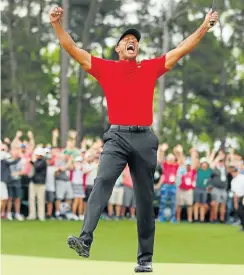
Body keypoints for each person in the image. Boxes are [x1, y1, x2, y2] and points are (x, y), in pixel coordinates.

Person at [50, 6, 218, 272]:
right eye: (127, 39)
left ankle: (145, 260)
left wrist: (204, 25)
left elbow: (182, 49)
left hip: (144, 139)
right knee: (103, 180)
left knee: (143, 199)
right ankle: (85, 239)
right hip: (116, 137)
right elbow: (72, 48)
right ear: (118, 49)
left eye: (136, 40)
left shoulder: (149, 68)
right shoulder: (106, 69)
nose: (132, 42)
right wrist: (57, 24)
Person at [27, 148, 47, 221]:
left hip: (40, 183)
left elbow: (37, 167)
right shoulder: (35, 162)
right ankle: (32, 215)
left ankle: (41, 215)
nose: (36, 156)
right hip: (33, 182)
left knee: (40, 199)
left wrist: (32, 162)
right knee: (31, 199)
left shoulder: (43, 162)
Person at [193, 158, 212, 222]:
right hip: (198, 188)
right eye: (203, 163)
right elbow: (195, 165)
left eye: (205, 163)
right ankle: (195, 218)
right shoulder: (199, 170)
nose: (204, 164)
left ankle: (202, 219)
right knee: (196, 203)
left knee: (203, 204)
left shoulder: (209, 170)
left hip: (204, 189)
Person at [230, 166, 244, 232]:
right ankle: (243, 226)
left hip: (243, 196)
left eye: (235, 171)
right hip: (239, 197)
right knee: (240, 212)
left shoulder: (242, 178)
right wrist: (235, 203)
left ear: (237, 171)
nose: (233, 173)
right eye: (232, 172)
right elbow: (235, 193)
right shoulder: (233, 181)